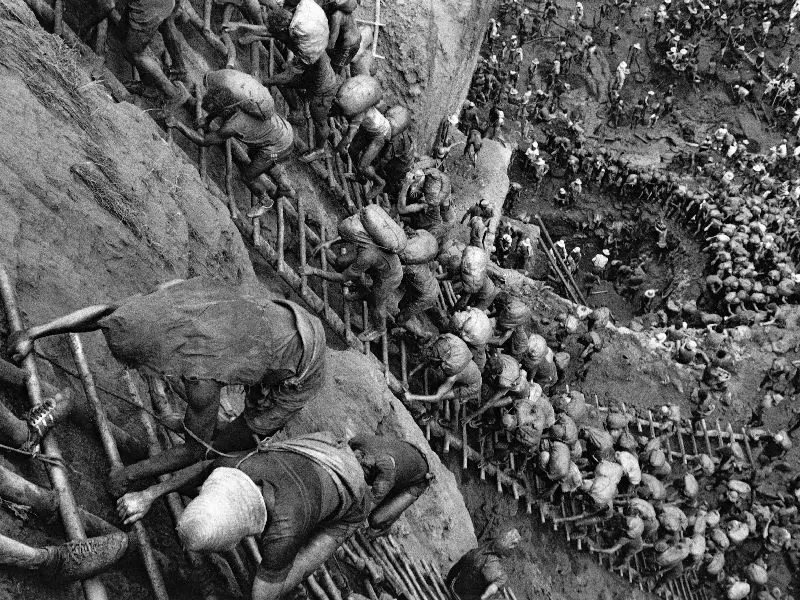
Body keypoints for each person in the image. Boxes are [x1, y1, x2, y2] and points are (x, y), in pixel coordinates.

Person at [10, 278, 327, 494]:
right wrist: (35, 332)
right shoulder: (169, 296)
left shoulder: (202, 381)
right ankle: (203, 423)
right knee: (206, 421)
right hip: (273, 319)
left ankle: (199, 478)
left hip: (299, 368)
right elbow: (106, 313)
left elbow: (195, 448)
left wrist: (131, 475)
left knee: (227, 442)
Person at [117, 432, 369, 600]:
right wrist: (149, 495)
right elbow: (205, 468)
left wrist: (277, 582)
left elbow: (261, 595)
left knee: (295, 569)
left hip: (352, 488)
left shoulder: (286, 530)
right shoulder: (236, 464)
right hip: (319, 445)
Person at [166, 71, 296, 216]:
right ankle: (282, 182)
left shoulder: (232, 126)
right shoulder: (239, 101)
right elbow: (220, 108)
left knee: (248, 176)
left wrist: (177, 124)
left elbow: (204, 141)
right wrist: (207, 119)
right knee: (254, 155)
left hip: (277, 150)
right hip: (283, 131)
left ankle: (265, 201)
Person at [233, 6, 336, 163]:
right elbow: (269, 31)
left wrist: (262, 81)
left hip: (322, 88)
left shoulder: (305, 48)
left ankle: (320, 149)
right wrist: (240, 25)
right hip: (309, 77)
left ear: (283, 31)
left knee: (319, 120)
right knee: (283, 84)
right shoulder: (290, 32)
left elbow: (287, 76)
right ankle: (297, 109)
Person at [306, 221, 403, 342]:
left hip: (389, 277)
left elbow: (343, 278)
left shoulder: (366, 257)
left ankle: (380, 329)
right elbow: (346, 235)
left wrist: (314, 271)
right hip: (377, 263)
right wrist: (329, 243)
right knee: (341, 262)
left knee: (376, 303)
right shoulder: (365, 230)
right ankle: (362, 290)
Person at [348, 434, 432, 536]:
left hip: (417, 480)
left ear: (369, 467)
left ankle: (382, 530)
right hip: (403, 458)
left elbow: (369, 504)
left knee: (376, 519)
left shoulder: (386, 469)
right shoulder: (358, 440)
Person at [446, 529, 521, 600]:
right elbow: (494, 586)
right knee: (498, 590)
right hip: (461, 597)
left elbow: (456, 567)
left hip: (455, 586)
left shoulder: (480, 550)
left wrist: (448, 583)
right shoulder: (491, 565)